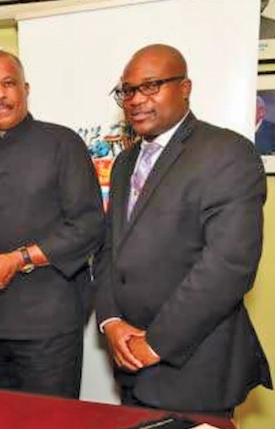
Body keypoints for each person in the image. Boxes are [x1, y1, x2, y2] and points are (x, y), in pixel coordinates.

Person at [96, 44, 272, 416]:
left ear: (185, 87)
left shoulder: (227, 152)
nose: (135, 100)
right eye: (127, 90)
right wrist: (111, 322)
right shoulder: (127, 161)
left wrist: (156, 343)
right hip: (129, 363)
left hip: (193, 367)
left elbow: (229, 266)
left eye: (151, 86)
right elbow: (111, 247)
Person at [0, 50, 105, 398]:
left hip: (50, 324)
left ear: (26, 89)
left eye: (8, 84)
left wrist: (20, 258)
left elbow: (89, 225)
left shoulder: (63, 143)